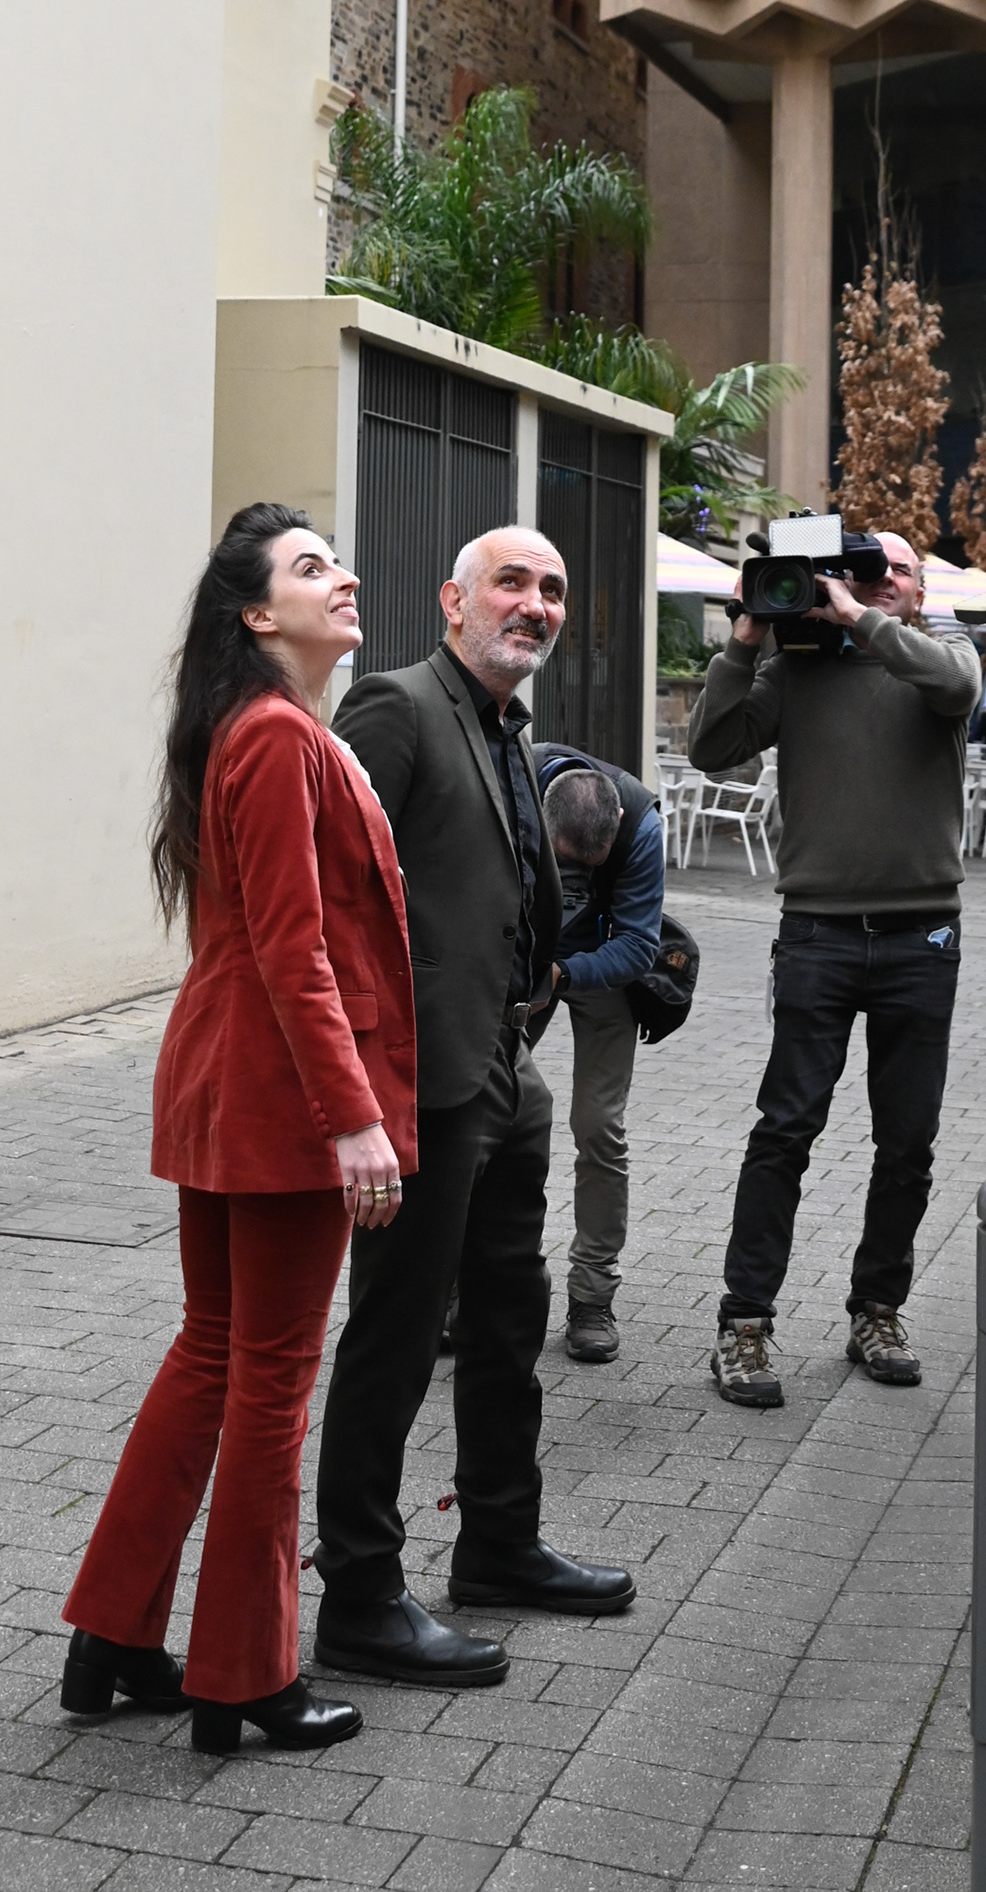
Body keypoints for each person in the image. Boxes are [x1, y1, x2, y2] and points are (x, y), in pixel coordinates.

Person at [59, 502, 416, 1754]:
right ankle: (245, 1679)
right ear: (259, 615)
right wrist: (354, 1120)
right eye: (313, 568)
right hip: (274, 1100)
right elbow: (294, 947)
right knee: (269, 1378)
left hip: (230, 1083)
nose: (346, 577)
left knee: (214, 1354)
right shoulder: (274, 737)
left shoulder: (259, 731)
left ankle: (114, 1634)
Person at [313, 526, 636, 1684]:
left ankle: (499, 1542)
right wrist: (366, 1088)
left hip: (506, 1079)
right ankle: (358, 1592)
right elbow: (334, 904)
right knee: (396, 1339)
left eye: (554, 589)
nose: (537, 605)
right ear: (453, 600)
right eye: (514, 582)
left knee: (506, 1327)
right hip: (419, 1090)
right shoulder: (396, 710)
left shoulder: (508, 729)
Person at [691, 530, 981, 1409]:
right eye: (869, 569)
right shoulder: (799, 662)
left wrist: (857, 616)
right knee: (785, 1130)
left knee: (908, 1144)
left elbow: (956, 688)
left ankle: (878, 1310)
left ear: (918, 589)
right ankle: (744, 1326)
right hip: (815, 932)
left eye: (900, 570)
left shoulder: (945, 649)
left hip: (921, 938)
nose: (883, 580)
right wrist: (745, 639)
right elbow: (711, 747)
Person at [531, 747, 666, 1363]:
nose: (578, 881)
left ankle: (592, 1296)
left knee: (599, 1126)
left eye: (591, 870)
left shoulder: (641, 821)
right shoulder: (509, 785)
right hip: (516, 959)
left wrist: (562, 974)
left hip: (601, 965)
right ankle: (466, 1286)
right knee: (484, 1115)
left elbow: (639, 944)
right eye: (566, 867)